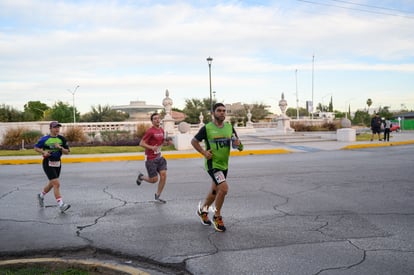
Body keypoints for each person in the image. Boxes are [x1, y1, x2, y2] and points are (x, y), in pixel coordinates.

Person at [191, 103, 243, 232]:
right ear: (213, 113)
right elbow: (194, 141)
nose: (222, 113)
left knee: (215, 191)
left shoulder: (229, 128)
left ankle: (203, 211)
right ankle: (217, 216)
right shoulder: (207, 128)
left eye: (224, 111)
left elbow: (239, 146)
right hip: (213, 165)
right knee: (224, 189)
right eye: (219, 110)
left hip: (224, 164)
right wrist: (204, 153)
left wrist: (238, 144)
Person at [34, 121, 71, 213]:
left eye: (58, 127)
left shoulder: (62, 139)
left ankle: (41, 195)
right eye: (55, 127)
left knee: (52, 183)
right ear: (50, 128)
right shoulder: (45, 139)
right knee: (56, 184)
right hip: (48, 162)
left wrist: (60, 148)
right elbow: (36, 147)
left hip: (57, 163)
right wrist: (43, 152)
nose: (57, 129)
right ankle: (61, 205)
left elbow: (67, 152)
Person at [136, 113, 172, 203]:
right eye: (155, 119)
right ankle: (141, 177)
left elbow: (161, 142)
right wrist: (151, 147)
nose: (157, 120)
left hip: (159, 157)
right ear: (152, 121)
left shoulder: (161, 130)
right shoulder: (150, 131)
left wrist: (167, 143)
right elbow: (141, 143)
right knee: (154, 180)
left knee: (163, 176)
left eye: (158, 118)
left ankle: (157, 196)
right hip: (150, 158)